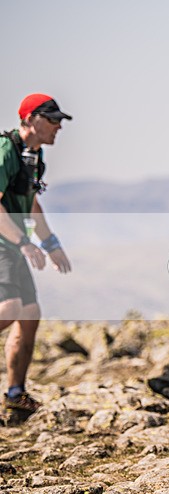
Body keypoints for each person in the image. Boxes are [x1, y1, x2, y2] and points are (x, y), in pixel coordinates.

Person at [0, 93, 73, 419]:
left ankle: (15, 394)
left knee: (29, 315)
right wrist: (23, 242)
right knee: (9, 308)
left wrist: (50, 243)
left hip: (14, 244)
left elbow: (31, 204)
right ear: (30, 119)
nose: (58, 126)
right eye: (52, 119)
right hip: (5, 243)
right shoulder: (6, 152)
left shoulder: (34, 156)